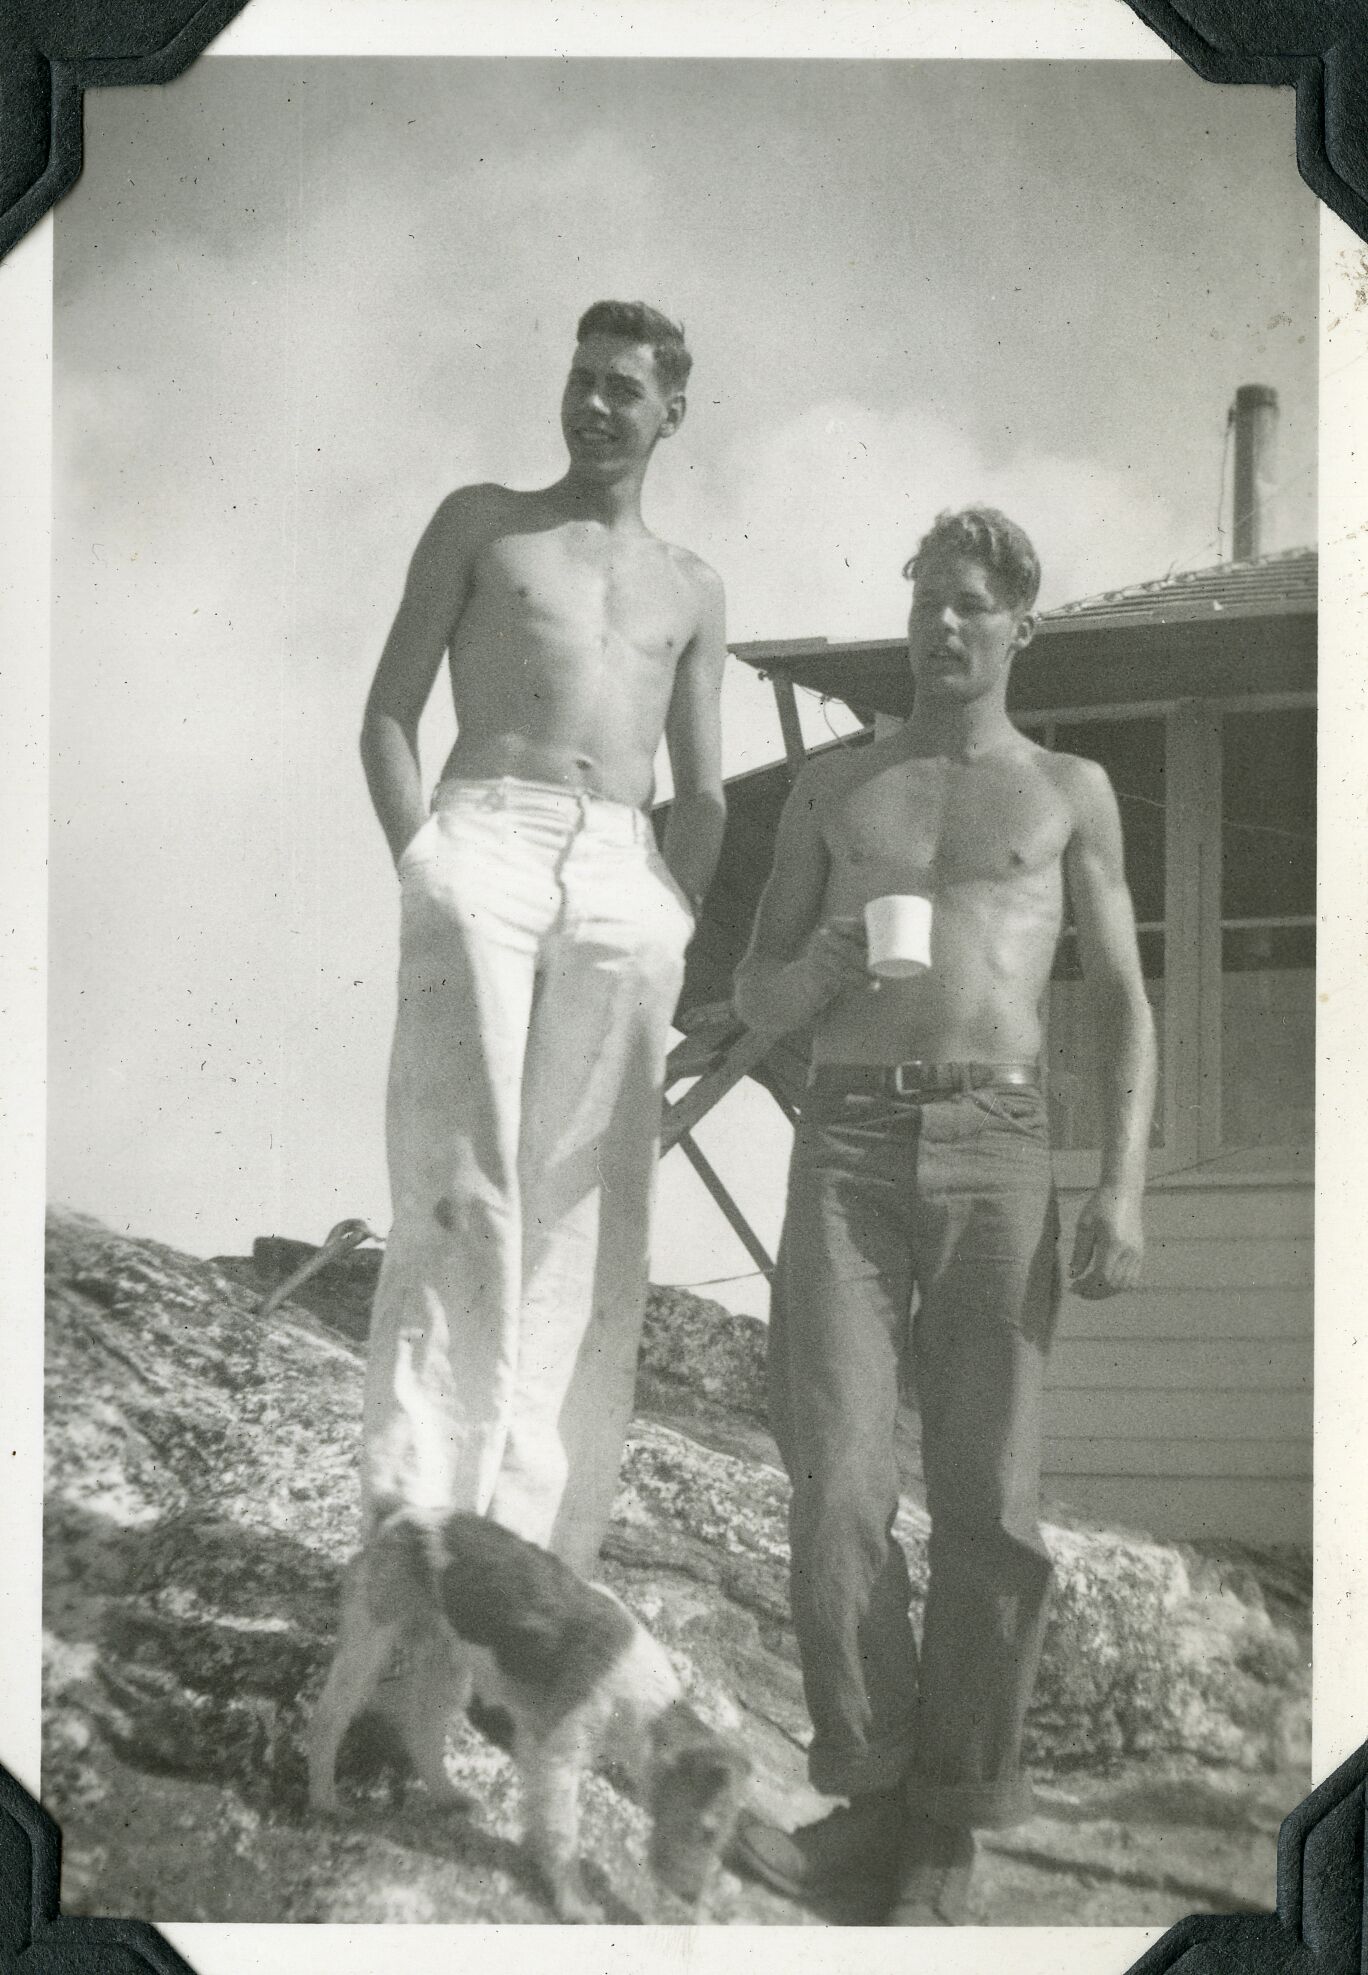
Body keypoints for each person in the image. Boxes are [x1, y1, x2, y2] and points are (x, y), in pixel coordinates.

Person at [728, 507, 1156, 1924]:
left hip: (1003, 1143)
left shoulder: (1071, 791)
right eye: (924, 598)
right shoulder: (834, 788)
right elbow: (756, 993)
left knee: (990, 1500)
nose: (942, 624)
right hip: (846, 1141)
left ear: (1019, 622)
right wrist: (833, 957)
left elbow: (1126, 1005)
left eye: (971, 602)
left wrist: (1124, 1180)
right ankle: (869, 1793)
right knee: (839, 1480)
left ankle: (947, 1826)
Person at [358, 301, 726, 1578]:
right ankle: (413, 1525)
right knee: (461, 1185)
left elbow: (711, 791)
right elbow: (387, 716)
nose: (594, 405)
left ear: (670, 408)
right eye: (580, 380)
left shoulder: (692, 585)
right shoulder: (482, 520)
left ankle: (528, 1557)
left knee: (586, 1208)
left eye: (623, 387)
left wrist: (672, 905)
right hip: (486, 838)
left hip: (625, 869)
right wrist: (427, 867)